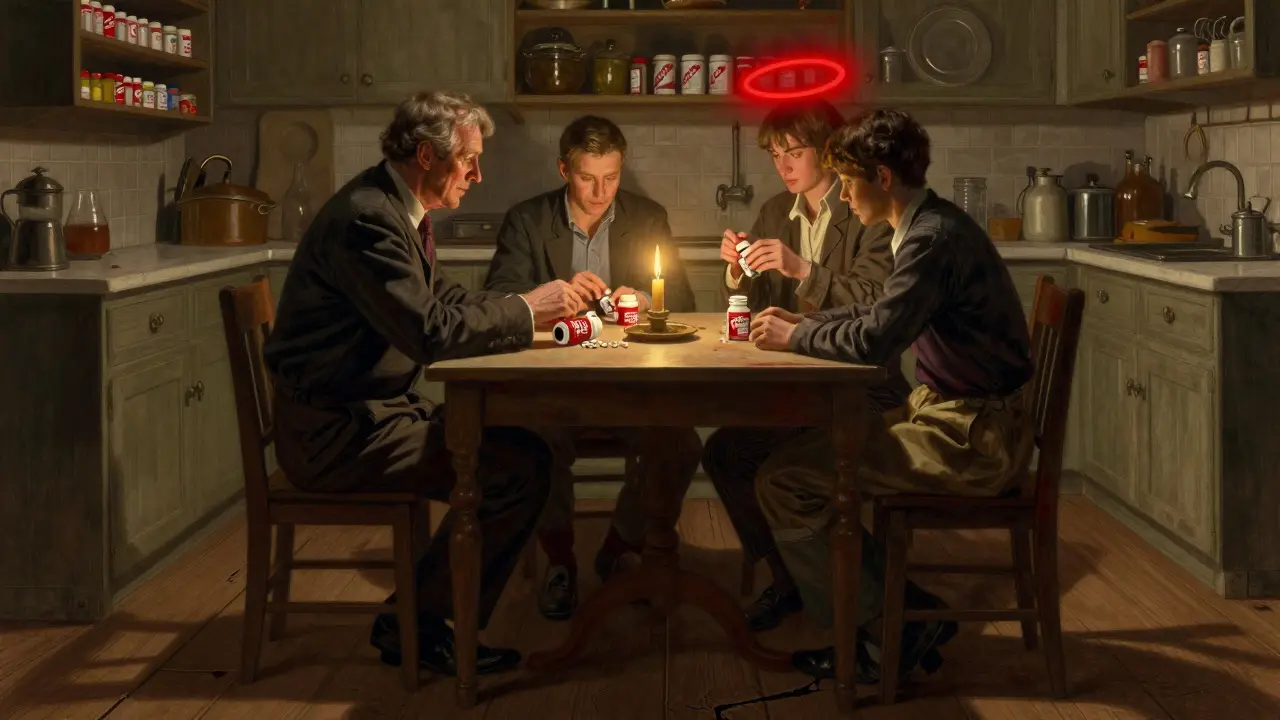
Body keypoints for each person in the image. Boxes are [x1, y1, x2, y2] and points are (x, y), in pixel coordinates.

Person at [263, 91, 584, 677]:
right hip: (334, 435)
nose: (478, 176)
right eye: (469, 161)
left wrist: (526, 308)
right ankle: (420, 621)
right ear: (427, 155)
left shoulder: (393, 206)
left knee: (523, 448)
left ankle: (418, 613)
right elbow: (431, 332)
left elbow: (445, 300)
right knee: (520, 467)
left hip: (369, 415)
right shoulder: (367, 219)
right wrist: (525, 309)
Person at [747, 108, 1035, 684]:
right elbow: (876, 311)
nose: (842, 196)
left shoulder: (930, 241)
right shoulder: (929, 225)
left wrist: (796, 336)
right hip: (954, 418)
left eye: (847, 182)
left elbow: (875, 340)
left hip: (973, 439)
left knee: (783, 479)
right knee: (786, 463)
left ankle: (883, 630)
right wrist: (803, 324)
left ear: (881, 178)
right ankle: (896, 617)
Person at [484, 115, 703, 621]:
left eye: (612, 177)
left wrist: (644, 298)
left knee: (680, 444)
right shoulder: (527, 220)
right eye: (587, 178)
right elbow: (499, 297)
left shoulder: (647, 217)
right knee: (536, 442)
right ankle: (560, 560)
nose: (601, 191)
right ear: (565, 170)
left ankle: (617, 546)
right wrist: (549, 297)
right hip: (553, 386)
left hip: (631, 385)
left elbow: (683, 299)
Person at [700, 100, 905, 634]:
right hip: (801, 389)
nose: (784, 165)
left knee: (773, 470)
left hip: (866, 392)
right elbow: (751, 305)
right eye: (775, 154)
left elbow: (875, 301)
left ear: (829, 151)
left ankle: (857, 602)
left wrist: (801, 269)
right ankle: (789, 578)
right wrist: (736, 271)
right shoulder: (775, 212)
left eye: (794, 151)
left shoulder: (867, 206)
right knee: (725, 452)